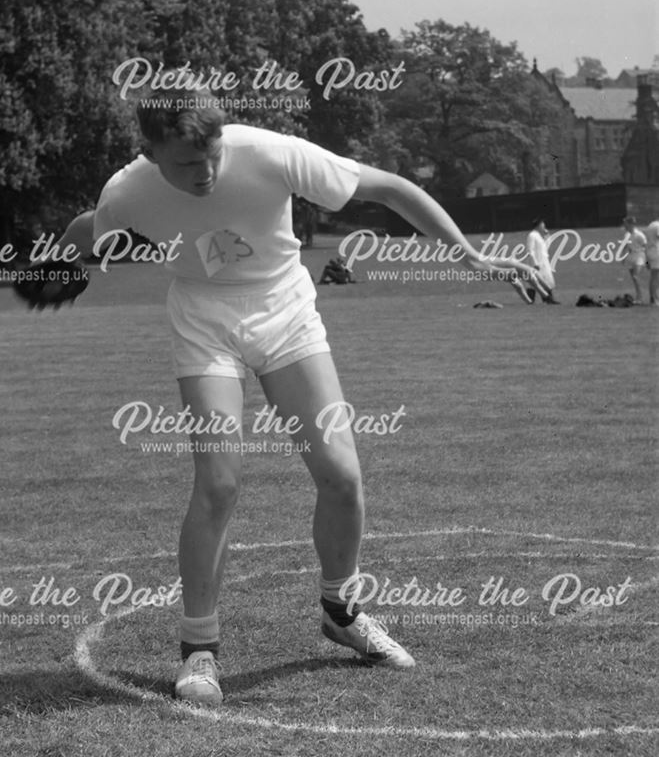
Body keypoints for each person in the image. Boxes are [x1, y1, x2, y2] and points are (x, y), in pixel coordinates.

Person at [49, 89, 545, 706]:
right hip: (204, 322)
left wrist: (470, 257)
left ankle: (342, 611)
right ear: (149, 153)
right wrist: (51, 271)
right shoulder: (128, 192)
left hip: (286, 312)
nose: (204, 171)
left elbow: (390, 188)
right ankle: (199, 650)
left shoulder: (271, 153)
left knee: (341, 475)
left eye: (211, 152)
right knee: (219, 483)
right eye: (185, 163)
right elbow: (91, 231)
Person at [526, 218, 560, 304]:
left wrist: (547, 235)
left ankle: (547, 299)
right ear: (539, 225)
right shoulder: (532, 235)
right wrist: (535, 263)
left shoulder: (538, 236)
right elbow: (530, 250)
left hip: (543, 262)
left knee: (545, 280)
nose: (544, 225)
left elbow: (545, 247)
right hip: (537, 263)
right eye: (542, 224)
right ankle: (532, 300)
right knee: (535, 281)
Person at [621, 216, 648, 304]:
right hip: (630, 256)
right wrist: (622, 256)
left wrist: (647, 260)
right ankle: (638, 296)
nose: (624, 226)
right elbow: (624, 246)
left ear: (630, 224)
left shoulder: (639, 235)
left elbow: (645, 246)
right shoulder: (626, 235)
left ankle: (640, 297)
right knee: (633, 278)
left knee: (635, 276)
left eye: (626, 224)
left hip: (639, 255)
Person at [644, 219, 659, 306]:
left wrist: (646, 261)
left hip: (650, 252)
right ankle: (654, 299)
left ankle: (653, 297)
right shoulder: (657, 226)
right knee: (655, 277)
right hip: (656, 252)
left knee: (654, 276)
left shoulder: (650, 225)